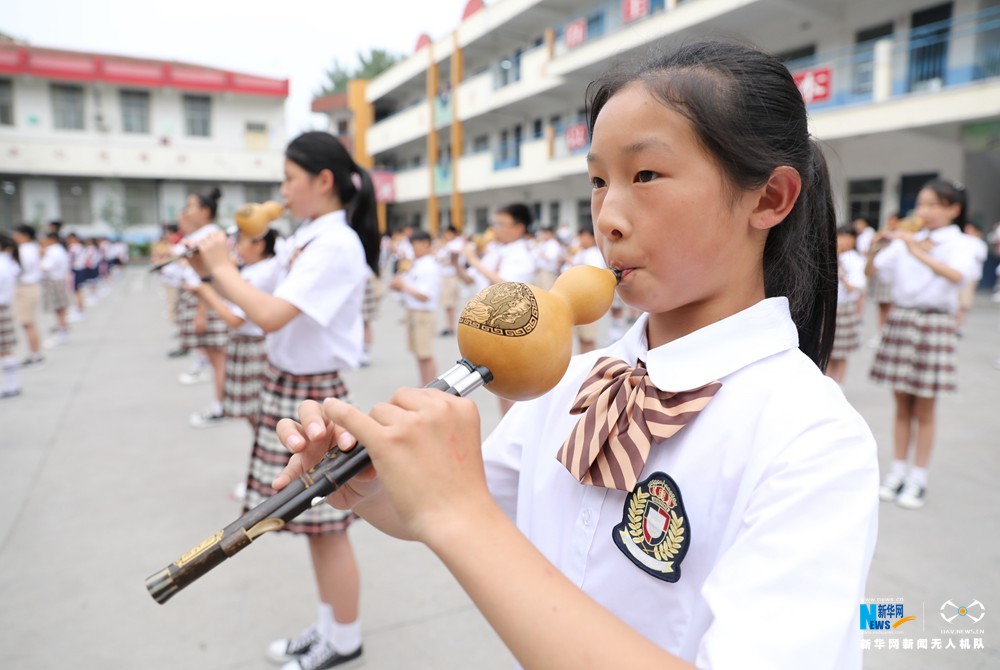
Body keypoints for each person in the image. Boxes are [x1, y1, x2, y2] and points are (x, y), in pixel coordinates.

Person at [272, 40, 878, 669]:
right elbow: (477, 510)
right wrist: (374, 484)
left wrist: (458, 512)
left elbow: (470, 519)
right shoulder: (573, 378)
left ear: (769, 199)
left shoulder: (812, 438)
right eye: (597, 180)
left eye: (645, 175)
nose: (608, 217)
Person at [190, 131, 378, 670]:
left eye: (289, 179)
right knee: (315, 529)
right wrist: (211, 269)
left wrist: (220, 268)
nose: (282, 190)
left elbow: (270, 313)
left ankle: (343, 639)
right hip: (297, 391)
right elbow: (252, 292)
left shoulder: (336, 244)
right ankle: (329, 628)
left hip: (316, 395)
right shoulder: (306, 239)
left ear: (323, 181)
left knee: (326, 530)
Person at [868, 178, 981, 510]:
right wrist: (878, 245)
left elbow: (957, 276)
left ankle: (918, 478)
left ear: (953, 209)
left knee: (925, 408)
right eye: (921, 204)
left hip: (935, 321)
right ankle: (898, 470)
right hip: (902, 319)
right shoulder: (907, 239)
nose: (924, 211)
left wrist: (913, 248)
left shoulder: (963, 243)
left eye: (933, 204)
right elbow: (874, 272)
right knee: (901, 404)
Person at [458, 203, 537, 415]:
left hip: (511, 329)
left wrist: (474, 260)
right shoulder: (496, 251)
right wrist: (459, 263)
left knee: (512, 390)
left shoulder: (522, 255)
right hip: (489, 326)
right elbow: (470, 280)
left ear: (519, 228)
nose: (494, 229)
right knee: (499, 388)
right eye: (494, 224)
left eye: (501, 224)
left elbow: (507, 287)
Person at [174, 188, 230, 427]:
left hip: (207, 303)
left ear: (205, 211)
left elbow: (209, 278)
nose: (186, 212)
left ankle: (222, 406)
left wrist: (202, 312)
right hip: (204, 301)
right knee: (216, 359)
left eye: (191, 206)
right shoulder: (205, 233)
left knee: (218, 360)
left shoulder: (209, 237)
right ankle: (222, 404)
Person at [389, 229, 441, 385]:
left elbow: (425, 296)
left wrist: (403, 286)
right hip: (413, 311)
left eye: (415, 245)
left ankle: (430, 387)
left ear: (426, 244)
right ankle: (424, 384)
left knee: (425, 353)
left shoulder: (430, 265)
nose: (412, 250)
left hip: (423, 313)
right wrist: (399, 285)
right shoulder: (417, 263)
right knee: (419, 353)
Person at [826, 225, 866, 384]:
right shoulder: (827, 255)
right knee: (827, 351)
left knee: (841, 353)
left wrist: (841, 274)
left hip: (844, 308)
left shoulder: (855, 259)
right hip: (829, 307)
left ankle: (839, 384)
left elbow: (854, 288)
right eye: (839, 236)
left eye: (846, 237)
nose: (841, 240)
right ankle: (828, 382)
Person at [568, 226, 606, 353]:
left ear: (592, 237)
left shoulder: (593, 254)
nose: (581, 240)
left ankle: (590, 363)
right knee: (581, 336)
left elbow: (592, 276)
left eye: (584, 237)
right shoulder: (582, 252)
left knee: (588, 337)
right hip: (577, 298)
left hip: (587, 299)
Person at [11, 224, 43, 367]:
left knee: (28, 323)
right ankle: (35, 353)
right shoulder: (31, 248)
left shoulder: (25, 250)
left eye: (16, 234)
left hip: (26, 288)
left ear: (25, 235)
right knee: (28, 323)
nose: (14, 237)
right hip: (27, 287)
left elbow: (19, 269)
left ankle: (35, 355)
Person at [868, 212, 899, 346]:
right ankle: (881, 333)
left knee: (890, 308)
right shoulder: (883, 234)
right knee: (882, 307)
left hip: (893, 277)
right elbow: (872, 246)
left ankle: (888, 334)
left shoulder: (900, 236)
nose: (890, 222)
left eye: (892, 220)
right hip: (880, 275)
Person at [39, 232, 72, 347]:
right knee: (60, 307)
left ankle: (62, 332)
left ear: (51, 239)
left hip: (54, 281)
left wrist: (40, 255)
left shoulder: (51, 251)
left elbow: (45, 267)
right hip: (59, 279)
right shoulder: (59, 249)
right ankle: (62, 330)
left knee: (59, 308)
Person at [0, 233, 21, 398]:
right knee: (5, 349)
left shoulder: (2, 262)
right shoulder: (7, 261)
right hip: (4, 306)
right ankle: (11, 384)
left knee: (5, 349)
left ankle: (12, 385)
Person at [435, 225, 465, 336]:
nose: (446, 236)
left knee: (450, 303)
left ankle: (451, 327)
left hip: (451, 276)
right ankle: (449, 326)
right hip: (446, 276)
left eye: (448, 233)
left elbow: (453, 259)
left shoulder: (456, 244)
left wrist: (443, 260)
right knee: (447, 303)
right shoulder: (448, 244)